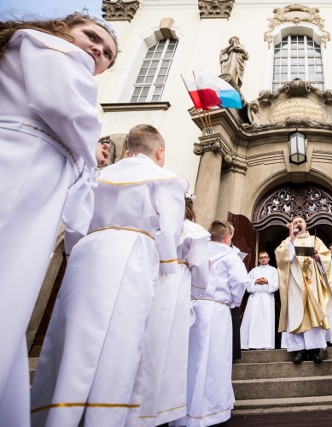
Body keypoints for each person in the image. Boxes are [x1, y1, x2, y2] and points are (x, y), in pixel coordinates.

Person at [0, 13, 117, 425]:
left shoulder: (55, 52)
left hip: (38, 174)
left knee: (12, 295)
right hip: (20, 167)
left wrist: (86, 155)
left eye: (106, 54)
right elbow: (62, 106)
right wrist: (90, 150)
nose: (98, 52)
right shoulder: (50, 47)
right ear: (63, 28)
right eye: (93, 38)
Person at [31, 124, 187, 427]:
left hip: (88, 254)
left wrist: (77, 252)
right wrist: (167, 268)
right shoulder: (166, 180)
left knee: (73, 334)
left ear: (127, 150)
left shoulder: (97, 176)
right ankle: (106, 414)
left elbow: (74, 222)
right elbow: (169, 231)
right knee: (122, 336)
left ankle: (60, 412)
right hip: (134, 253)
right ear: (160, 152)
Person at [129, 194, 210, 425]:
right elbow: (200, 268)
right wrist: (197, 291)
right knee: (172, 345)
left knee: (146, 342)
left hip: (151, 281)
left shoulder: (157, 227)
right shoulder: (194, 231)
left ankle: (137, 407)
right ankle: (164, 410)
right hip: (177, 285)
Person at [176, 220, 248, 427]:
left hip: (192, 307)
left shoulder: (198, 250)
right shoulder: (230, 255)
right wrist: (234, 302)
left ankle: (184, 410)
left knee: (191, 359)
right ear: (227, 238)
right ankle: (211, 411)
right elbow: (240, 282)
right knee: (215, 359)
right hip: (216, 310)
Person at [275, 216, 332, 364]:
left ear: (306, 225)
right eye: (295, 222)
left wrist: (318, 257)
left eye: (300, 222)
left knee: (314, 313)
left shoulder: (315, 240)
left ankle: (314, 351)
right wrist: (291, 240)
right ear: (291, 227)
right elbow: (280, 257)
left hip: (312, 283)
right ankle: (299, 350)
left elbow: (326, 257)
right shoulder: (287, 241)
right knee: (296, 313)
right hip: (295, 284)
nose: (298, 224)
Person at [240, 251, 279, 350]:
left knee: (266, 321)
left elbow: (276, 284)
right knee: (254, 321)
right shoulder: (254, 270)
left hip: (267, 298)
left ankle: (266, 344)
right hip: (255, 298)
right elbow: (247, 282)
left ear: (269, 259)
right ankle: (252, 344)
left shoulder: (273, 270)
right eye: (261, 257)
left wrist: (267, 281)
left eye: (265, 257)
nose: (263, 259)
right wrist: (255, 281)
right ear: (258, 259)